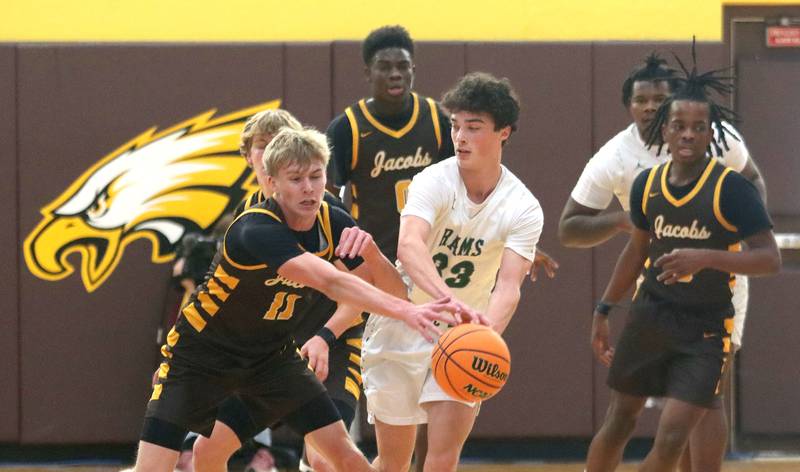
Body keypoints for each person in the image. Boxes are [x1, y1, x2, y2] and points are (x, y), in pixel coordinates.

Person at [132, 127, 475, 472]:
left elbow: (395, 290)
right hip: (200, 356)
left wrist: (371, 252)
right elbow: (330, 280)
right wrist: (408, 312)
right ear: (272, 182)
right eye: (296, 179)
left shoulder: (333, 219)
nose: (309, 188)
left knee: (340, 452)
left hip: (271, 357)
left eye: (316, 176)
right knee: (167, 464)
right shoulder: (255, 228)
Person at [558, 53, 767, 472]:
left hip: (714, 294)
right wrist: (627, 221)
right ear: (629, 106)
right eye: (642, 99)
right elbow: (570, 229)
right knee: (627, 413)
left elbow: (754, 187)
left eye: (660, 98)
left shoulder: (718, 140)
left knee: (703, 403)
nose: (651, 106)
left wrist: (722, 244)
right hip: (656, 292)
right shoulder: (618, 160)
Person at [361, 72, 544, 472]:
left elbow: (509, 287)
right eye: (455, 126)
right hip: (403, 322)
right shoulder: (434, 180)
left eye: (473, 128)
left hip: (463, 334)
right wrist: (450, 302)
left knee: (442, 460)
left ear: (504, 132)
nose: (459, 137)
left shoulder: (524, 207)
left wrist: (485, 335)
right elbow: (408, 247)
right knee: (393, 463)